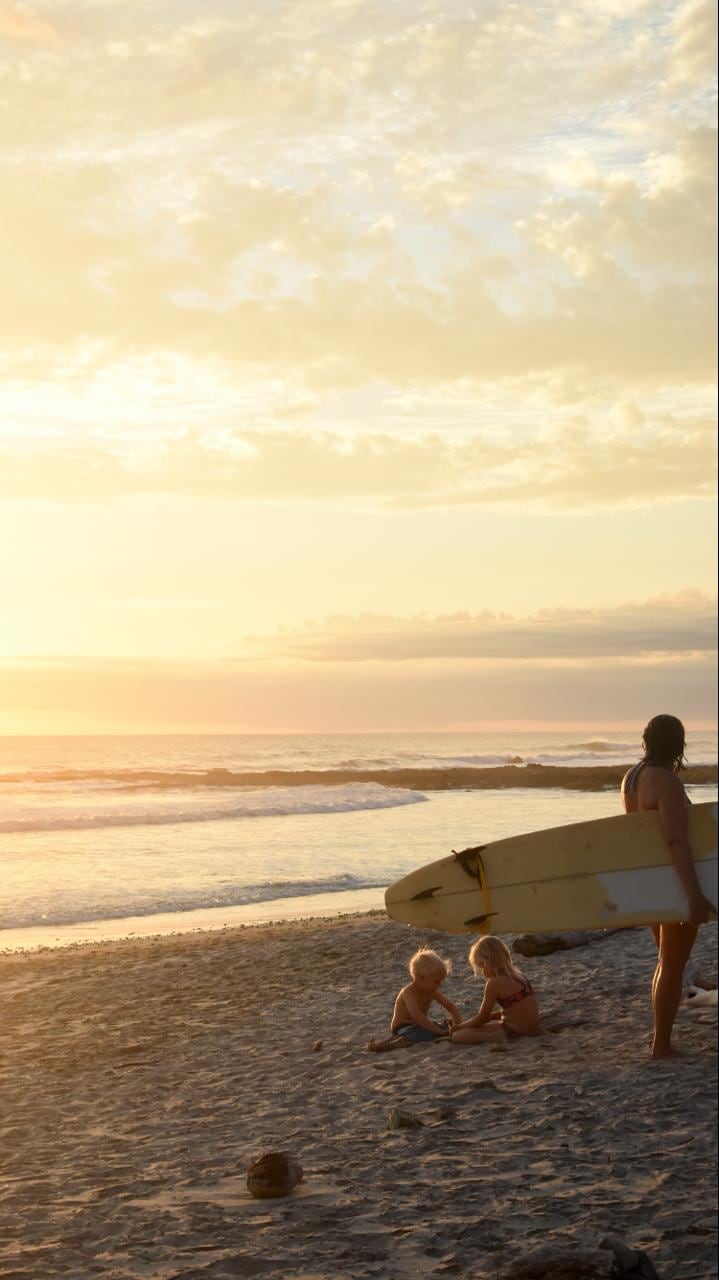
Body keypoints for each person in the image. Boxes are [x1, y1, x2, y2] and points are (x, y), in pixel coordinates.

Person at [621, 714, 717, 1060]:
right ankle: (661, 1045)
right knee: (672, 967)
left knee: (666, 965)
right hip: (674, 882)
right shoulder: (667, 782)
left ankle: (661, 1040)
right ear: (678, 744)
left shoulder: (631, 778)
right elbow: (676, 841)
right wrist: (694, 894)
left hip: (652, 880)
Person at [367, 947, 461, 1052]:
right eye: (436, 981)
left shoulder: (432, 991)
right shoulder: (408, 992)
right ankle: (395, 1043)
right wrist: (438, 1032)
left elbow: (450, 1006)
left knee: (442, 1026)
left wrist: (458, 1025)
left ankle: (435, 1031)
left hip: (420, 1025)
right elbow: (417, 1016)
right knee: (423, 1034)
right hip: (403, 1027)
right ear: (420, 978)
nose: (439, 985)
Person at [451, 935, 540, 1044]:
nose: (482, 972)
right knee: (477, 1027)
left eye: (481, 967)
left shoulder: (494, 982)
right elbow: (515, 1009)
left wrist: (460, 1027)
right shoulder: (518, 975)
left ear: (487, 962)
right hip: (533, 1028)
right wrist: (492, 1016)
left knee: (458, 1036)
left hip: (515, 1031)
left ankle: (494, 1039)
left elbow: (481, 1018)